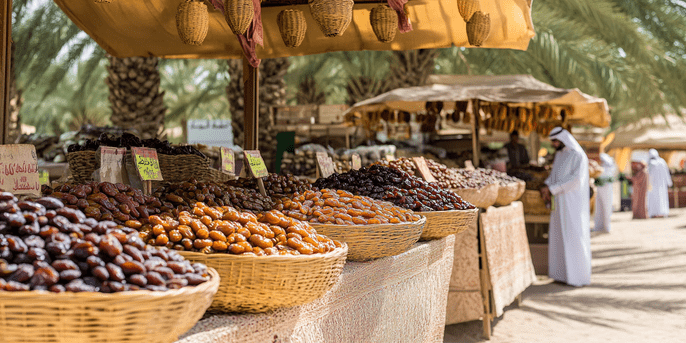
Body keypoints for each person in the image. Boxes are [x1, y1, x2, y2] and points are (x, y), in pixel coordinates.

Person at [539, 127, 591, 287]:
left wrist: (553, 189)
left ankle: (577, 277)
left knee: (573, 236)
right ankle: (560, 275)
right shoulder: (560, 155)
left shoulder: (578, 156)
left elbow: (575, 181)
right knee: (558, 237)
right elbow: (554, 176)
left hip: (572, 203)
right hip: (559, 202)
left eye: (555, 141)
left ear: (562, 139)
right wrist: (546, 186)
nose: (553, 144)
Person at [594, 153, 617, 233]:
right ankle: (598, 226)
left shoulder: (610, 168)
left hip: (607, 190)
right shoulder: (601, 168)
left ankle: (607, 227)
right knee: (598, 208)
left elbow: (609, 178)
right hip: (599, 190)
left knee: (607, 208)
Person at [646, 149, 673, 218]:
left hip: (656, 185)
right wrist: (669, 182)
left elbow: (666, 173)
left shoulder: (654, 163)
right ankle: (657, 213)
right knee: (658, 198)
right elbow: (666, 173)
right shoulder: (661, 162)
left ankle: (659, 213)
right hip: (657, 185)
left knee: (658, 198)